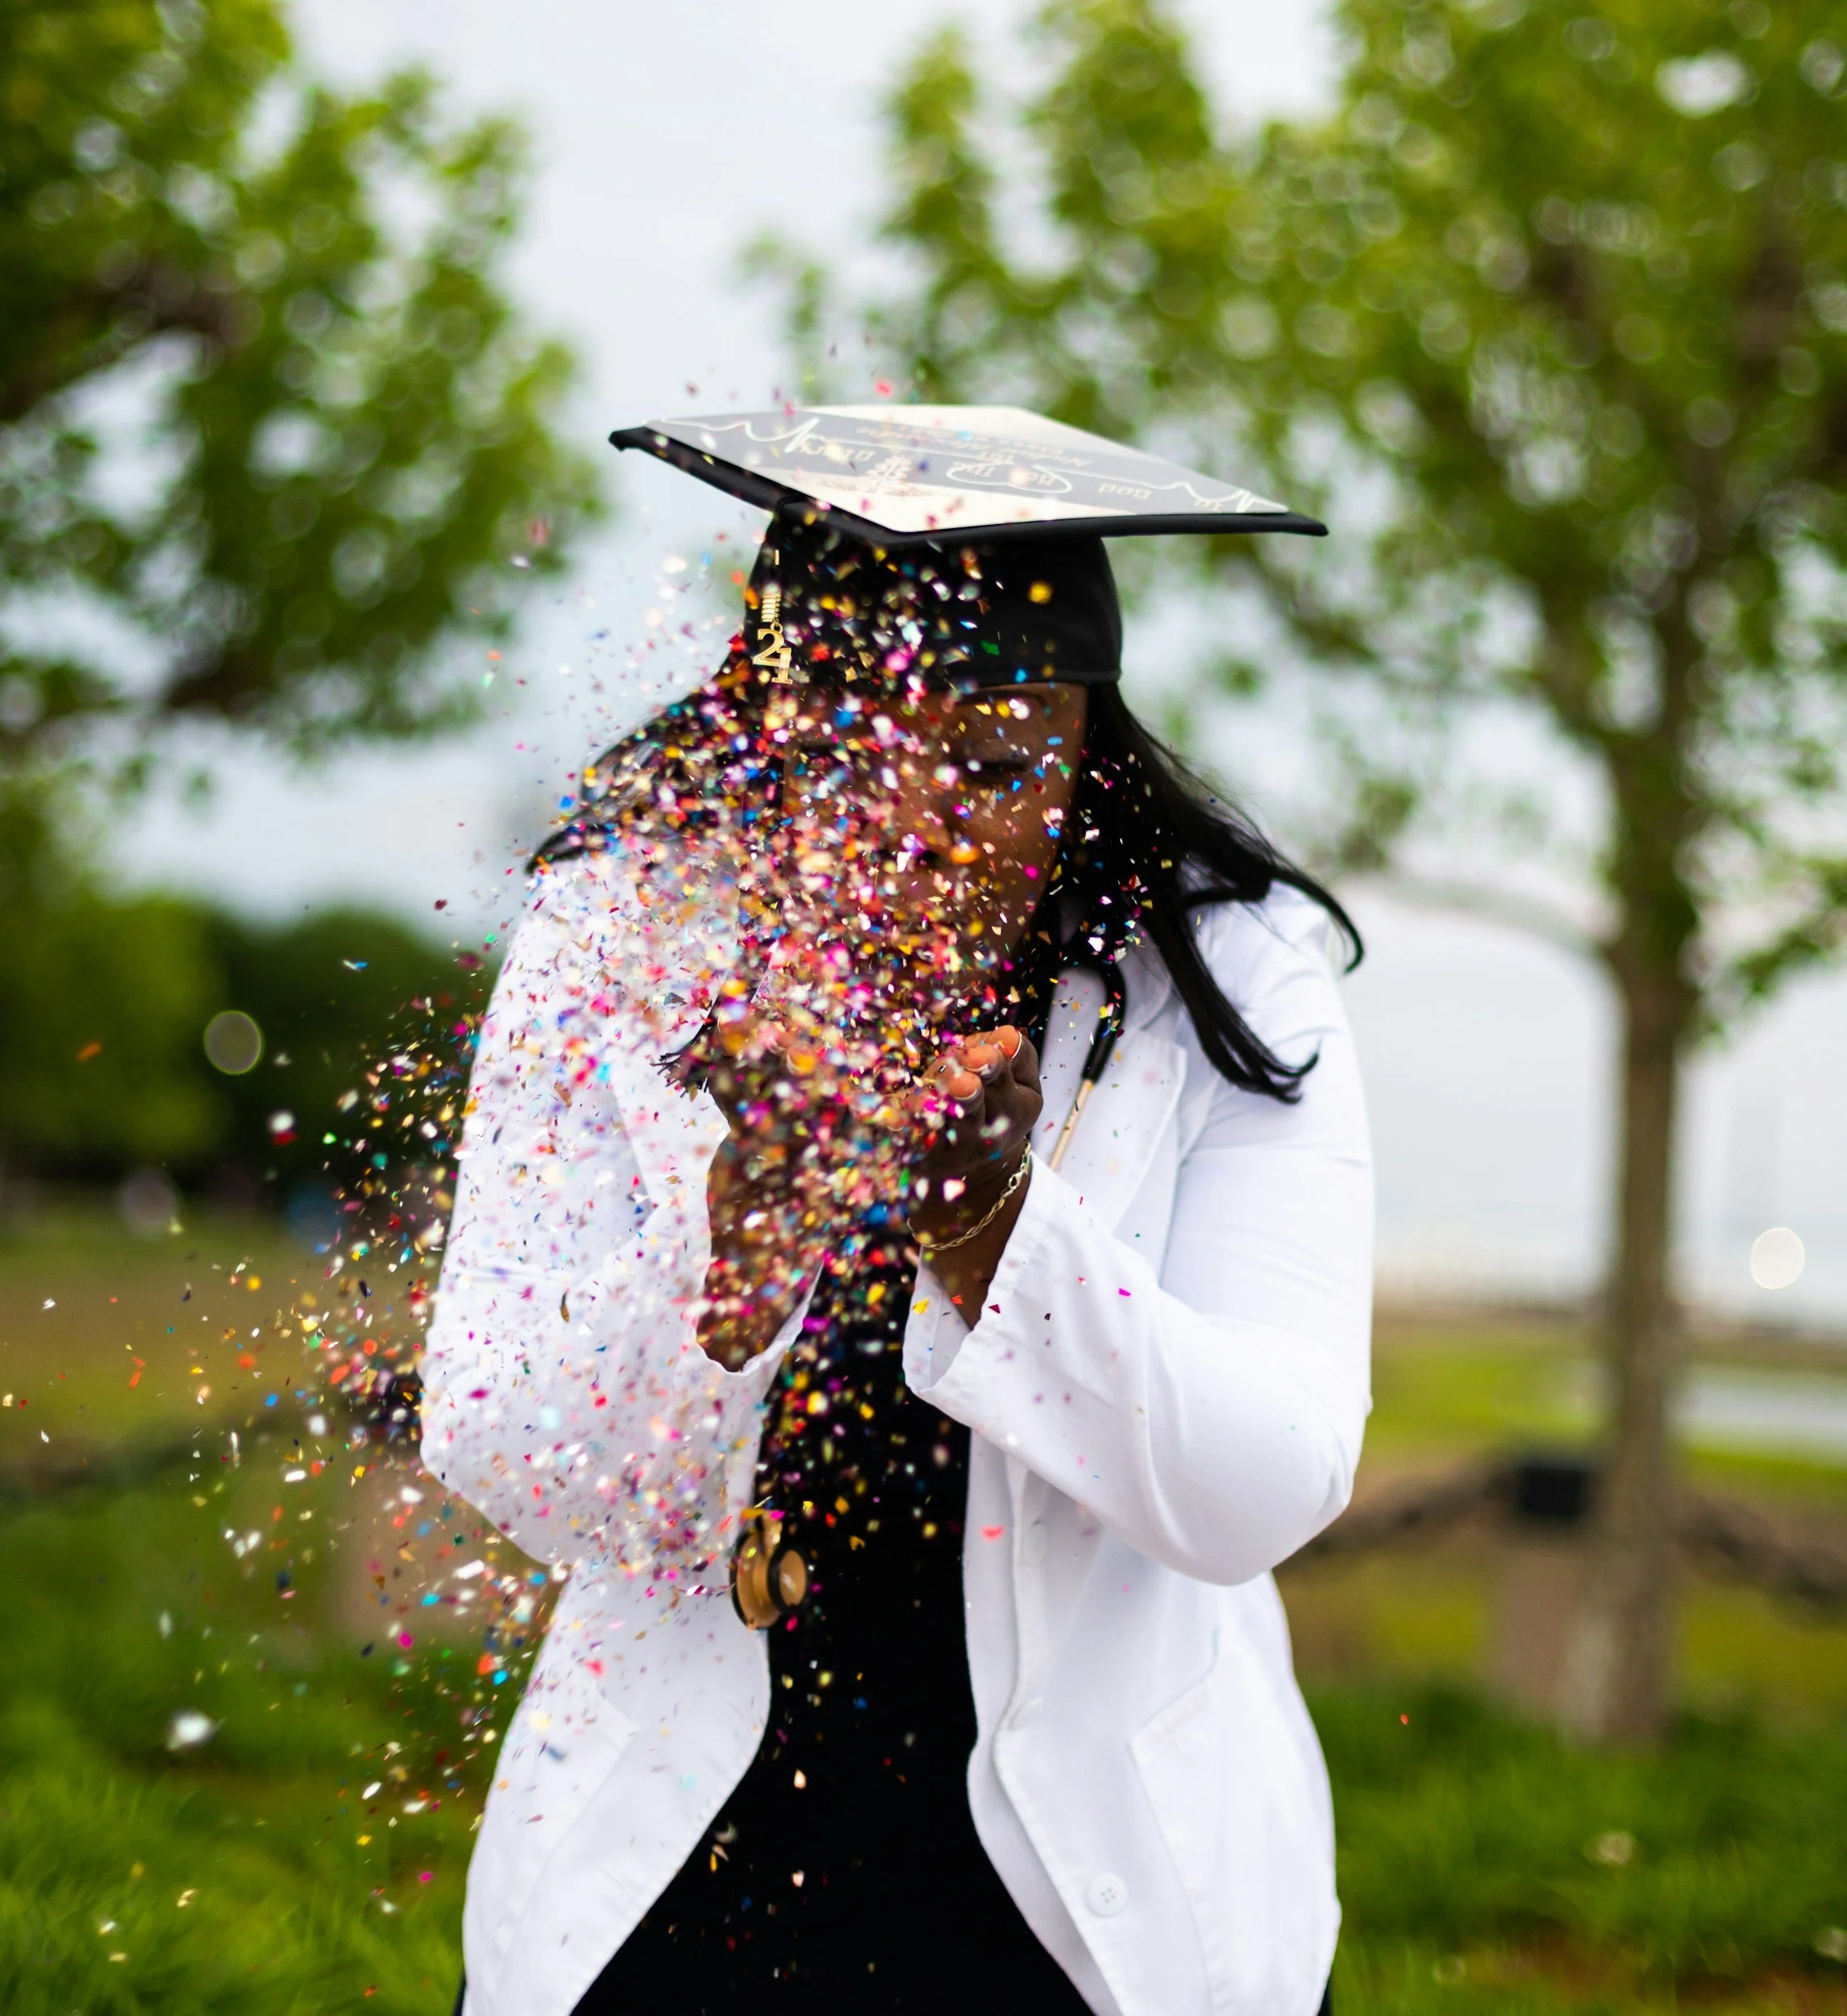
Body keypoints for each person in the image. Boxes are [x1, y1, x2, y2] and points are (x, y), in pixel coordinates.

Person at [422, 406, 1373, 2016]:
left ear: (1086, 752)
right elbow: (498, 1439)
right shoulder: (613, 933)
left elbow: (1257, 1486)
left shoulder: (1220, 973)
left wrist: (990, 1221)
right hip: (674, 1883)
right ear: (769, 725)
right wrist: (733, 1264)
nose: (924, 829)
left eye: (1001, 764)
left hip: (1091, 1910)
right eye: (856, 755)